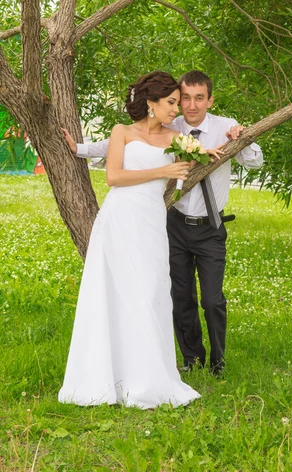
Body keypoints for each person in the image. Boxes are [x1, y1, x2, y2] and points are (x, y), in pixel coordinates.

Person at [62, 70, 263, 375]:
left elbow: (252, 160)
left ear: (210, 99)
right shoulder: (170, 124)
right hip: (171, 223)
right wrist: (79, 149)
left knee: (211, 300)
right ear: (168, 100)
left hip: (209, 226)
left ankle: (218, 361)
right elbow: (118, 145)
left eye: (198, 98)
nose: (188, 105)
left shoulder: (222, 127)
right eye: (182, 99)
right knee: (179, 296)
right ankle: (191, 358)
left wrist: (241, 140)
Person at [58, 71, 200, 408]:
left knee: (151, 292)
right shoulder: (121, 131)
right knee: (117, 292)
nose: (176, 110)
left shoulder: (176, 139)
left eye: (178, 104)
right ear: (151, 104)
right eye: (171, 103)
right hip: (119, 220)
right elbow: (113, 176)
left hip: (150, 222)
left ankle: (149, 379)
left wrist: (190, 161)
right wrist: (163, 172)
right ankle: (108, 377)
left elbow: (184, 170)